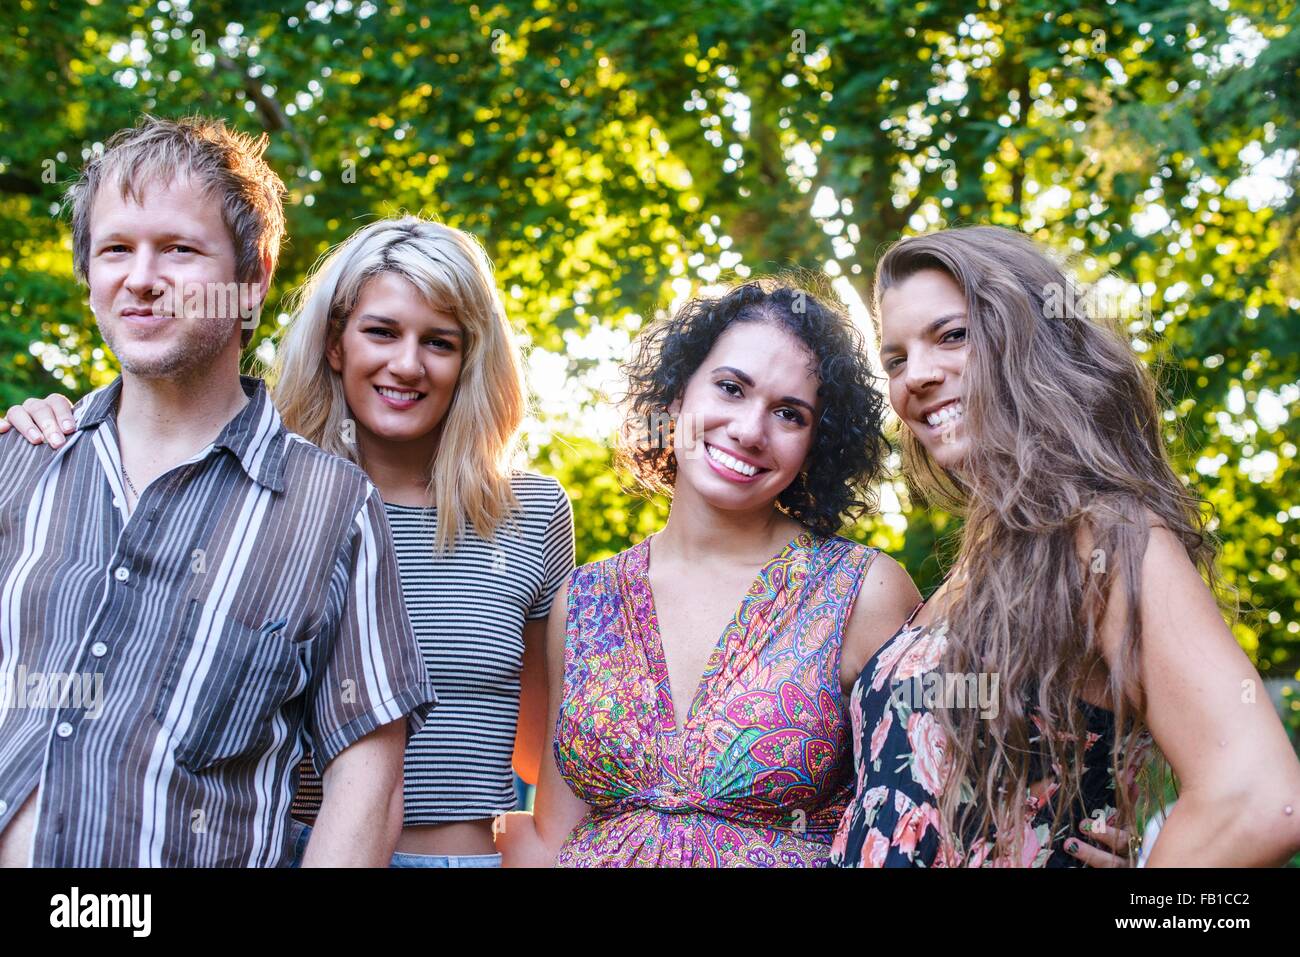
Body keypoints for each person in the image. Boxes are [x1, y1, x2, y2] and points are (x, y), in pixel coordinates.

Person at [5, 215, 575, 868]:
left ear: (470, 357)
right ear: (336, 344)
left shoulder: (531, 513)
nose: (407, 363)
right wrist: (55, 431)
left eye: (439, 342)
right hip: (288, 850)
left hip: (455, 857)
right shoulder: (257, 488)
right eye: (381, 331)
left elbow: (546, 742)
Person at [0, 115, 435, 867]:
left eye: (178, 249)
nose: (141, 277)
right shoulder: (21, 459)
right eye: (115, 250)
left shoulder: (330, 508)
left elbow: (368, 783)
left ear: (252, 277)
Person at [829, 225, 1300, 867]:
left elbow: (1262, 799)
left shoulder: (1103, 534)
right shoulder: (980, 561)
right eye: (896, 359)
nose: (917, 376)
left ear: (1030, 335)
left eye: (953, 335)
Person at [495, 278, 921, 866]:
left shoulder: (863, 590)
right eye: (730, 388)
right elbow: (554, 833)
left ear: (815, 445)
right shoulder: (583, 599)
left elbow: (932, 814)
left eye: (789, 414)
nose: (749, 430)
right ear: (675, 398)